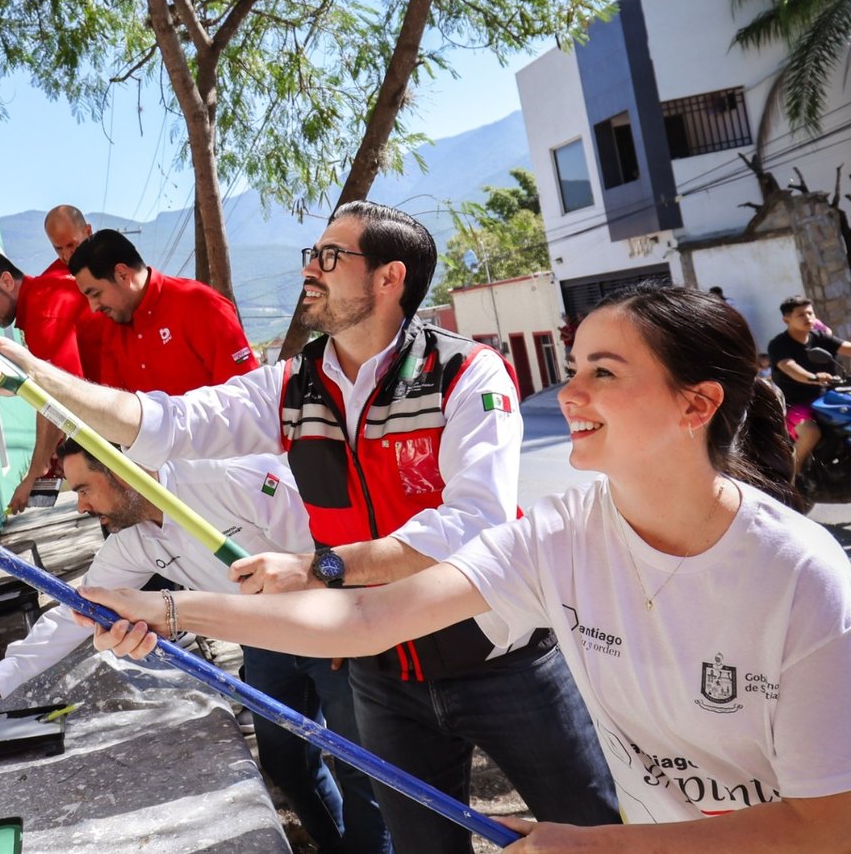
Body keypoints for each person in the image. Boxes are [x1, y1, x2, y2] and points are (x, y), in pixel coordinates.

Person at [80, 283, 851, 850]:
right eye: (573, 365)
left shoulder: (800, 579)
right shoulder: (560, 535)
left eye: (603, 373)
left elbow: (827, 827)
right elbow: (366, 615)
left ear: (697, 405)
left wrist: (600, 845)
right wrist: (170, 612)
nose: (568, 392)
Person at [0, 201, 619, 852]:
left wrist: (318, 570)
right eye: (312, 254)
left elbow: (475, 524)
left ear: (391, 279)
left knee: (595, 832)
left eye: (331, 256)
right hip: (381, 672)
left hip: (501, 659)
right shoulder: (290, 387)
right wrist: (35, 377)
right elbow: (164, 422)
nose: (312, 268)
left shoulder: (464, 374)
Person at [0, 442, 390, 853]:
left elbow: (327, 542)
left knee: (364, 769)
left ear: (120, 473)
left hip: (332, 625)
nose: (80, 506)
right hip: (266, 641)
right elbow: (76, 611)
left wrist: (342, 617)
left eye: (84, 489)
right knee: (287, 763)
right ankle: (336, 844)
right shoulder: (136, 540)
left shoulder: (224, 477)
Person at [0, 250, 88, 513]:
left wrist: (34, 474)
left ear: (7, 281)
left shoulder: (43, 313)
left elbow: (55, 398)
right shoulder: (46, 291)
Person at [66, 228, 259, 395]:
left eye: (95, 293)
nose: (93, 308)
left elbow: (248, 393)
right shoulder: (112, 329)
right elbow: (116, 410)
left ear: (123, 274)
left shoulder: (199, 305)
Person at [765, 295, 851, 477]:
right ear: (786, 319)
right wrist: (813, 377)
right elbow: (789, 367)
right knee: (810, 432)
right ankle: (790, 480)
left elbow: (847, 348)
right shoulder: (779, 344)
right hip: (795, 405)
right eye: (801, 315)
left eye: (810, 313)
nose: (808, 318)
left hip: (827, 399)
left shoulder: (820, 338)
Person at [43, 204, 108, 382]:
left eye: (72, 245)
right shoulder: (51, 285)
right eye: (58, 248)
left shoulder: (116, 262)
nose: (67, 255)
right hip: (98, 389)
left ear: (87, 231)